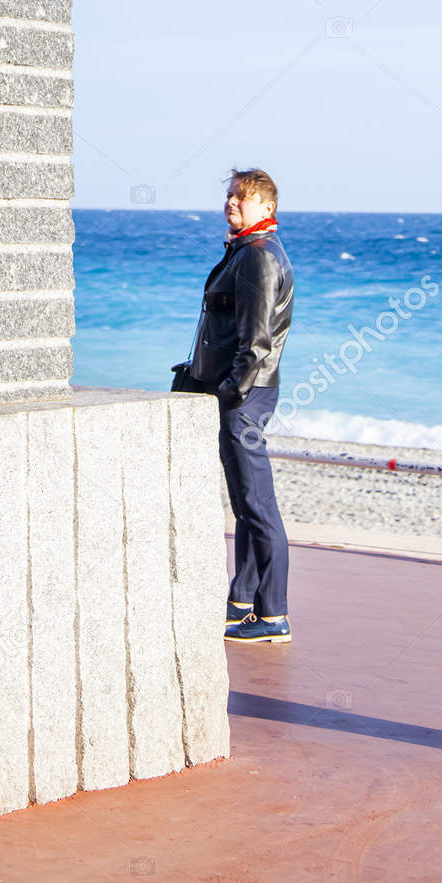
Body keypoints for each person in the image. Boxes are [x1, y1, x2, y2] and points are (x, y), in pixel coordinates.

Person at [186, 168, 294, 644]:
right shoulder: (245, 252)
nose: (232, 203)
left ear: (266, 207)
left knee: (257, 505)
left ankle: (274, 614)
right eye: (229, 195)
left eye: (243, 198)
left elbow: (256, 343)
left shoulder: (258, 258)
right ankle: (243, 601)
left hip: (246, 397)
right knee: (246, 503)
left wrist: (228, 393)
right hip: (241, 392)